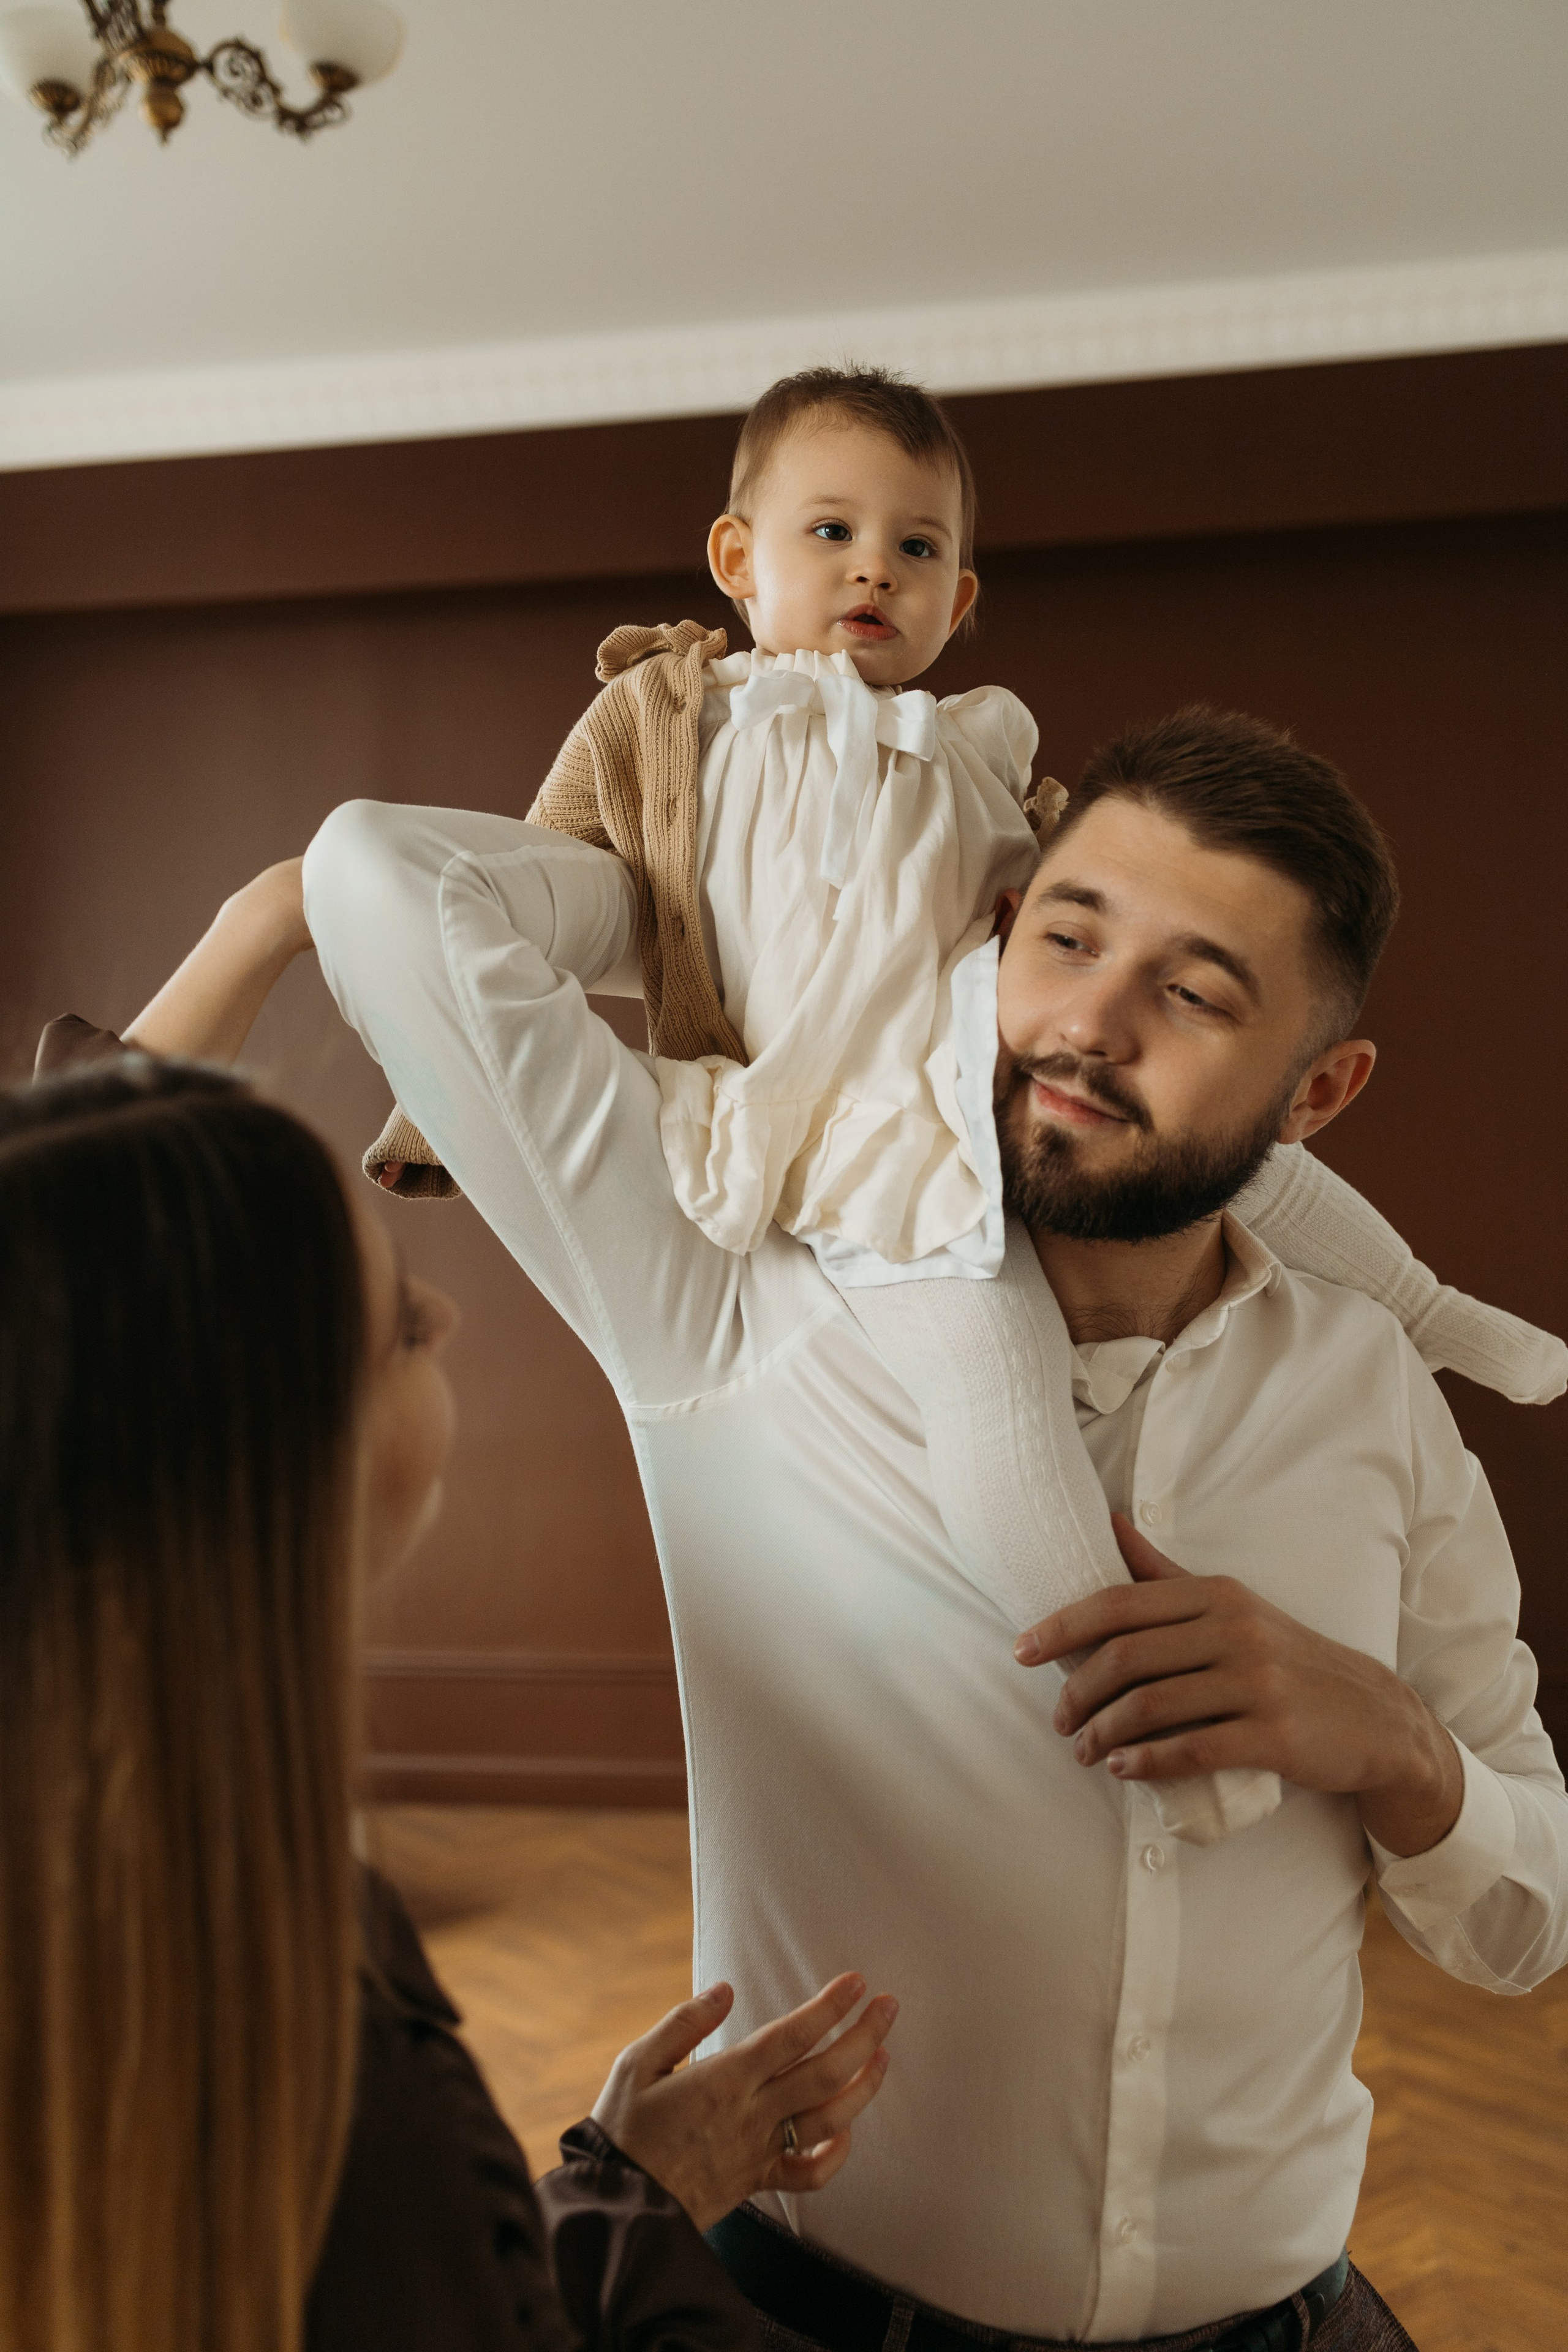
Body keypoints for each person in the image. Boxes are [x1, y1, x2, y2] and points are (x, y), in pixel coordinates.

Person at [111, 705, 1566, 2350]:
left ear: (1321, 1095)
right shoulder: (720, 1290)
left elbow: (1528, 1927)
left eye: (1194, 991)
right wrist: (700, 877)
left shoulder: (1373, 1392)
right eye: (1066, 937)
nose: (1087, 1023)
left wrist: (1399, 1750)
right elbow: (383, 878)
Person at [360, 368, 1560, 1439]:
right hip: (811, 1091)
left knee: (1239, 1149)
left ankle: (1426, 1309)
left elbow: (1070, 883)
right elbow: (541, 861)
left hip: (967, 1050)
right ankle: (1084, 1614)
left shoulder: (976, 743)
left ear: (960, 592)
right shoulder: (678, 715)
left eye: (918, 549)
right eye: (830, 530)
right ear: (736, 559)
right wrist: (433, 1112)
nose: (874, 566)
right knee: (996, 1383)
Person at [0, 1055, 897, 2352]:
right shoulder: (318, 2075)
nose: (451, 1321)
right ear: (276, 1466)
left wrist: (618, 2196)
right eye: (406, 1326)